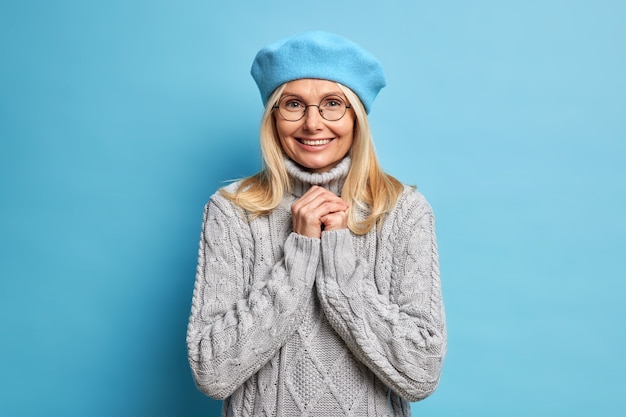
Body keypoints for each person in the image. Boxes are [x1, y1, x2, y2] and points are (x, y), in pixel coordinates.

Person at [186, 31, 446, 417]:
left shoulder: (403, 211)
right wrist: (300, 257)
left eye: (332, 104)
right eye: (293, 104)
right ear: (273, 116)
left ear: (356, 117)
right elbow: (212, 373)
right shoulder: (231, 211)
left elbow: (421, 373)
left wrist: (340, 267)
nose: (312, 123)